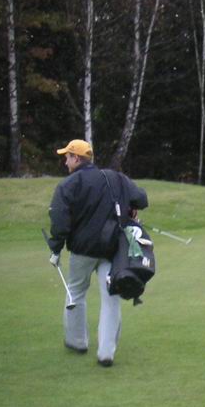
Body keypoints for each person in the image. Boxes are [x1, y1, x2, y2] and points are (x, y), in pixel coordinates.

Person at [47, 139, 148, 367]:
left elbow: (60, 220)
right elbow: (141, 199)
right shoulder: (114, 177)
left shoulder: (69, 184)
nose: (65, 162)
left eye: (67, 157)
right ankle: (106, 353)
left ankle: (77, 342)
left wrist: (55, 248)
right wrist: (130, 207)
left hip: (82, 250)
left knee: (75, 291)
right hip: (111, 249)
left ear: (77, 158)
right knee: (111, 296)